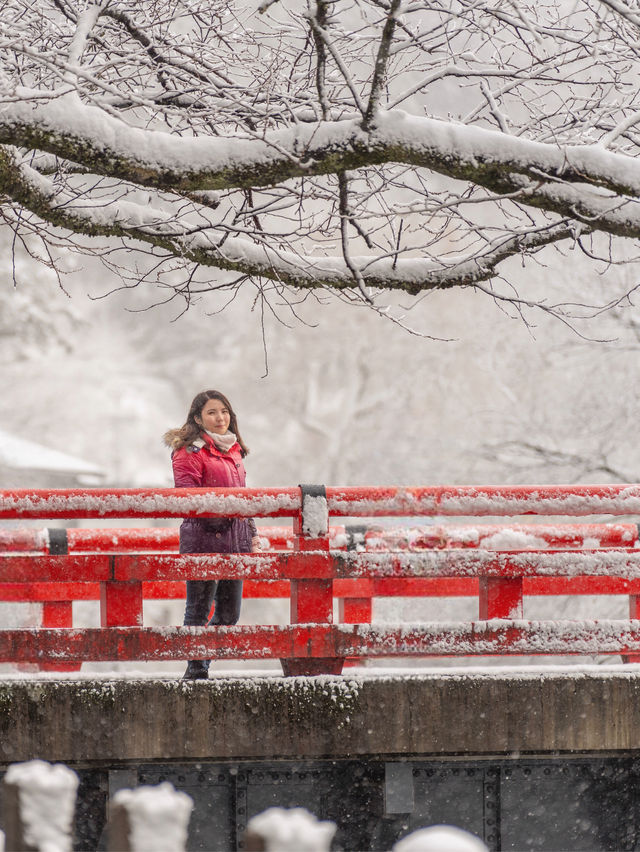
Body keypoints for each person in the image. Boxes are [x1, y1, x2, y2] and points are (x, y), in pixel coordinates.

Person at [164, 390, 259, 680]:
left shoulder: (234, 450)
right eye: (212, 413)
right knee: (198, 608)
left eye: (225, 412)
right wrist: (223, 513)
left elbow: (243, 496)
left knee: (230, 614)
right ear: (197, 418)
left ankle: (202, 659)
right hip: (203, 538)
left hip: (235, 539)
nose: (220, 418)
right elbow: (187, 497)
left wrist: (252, 531)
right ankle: (196, 670)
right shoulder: (188, 451)